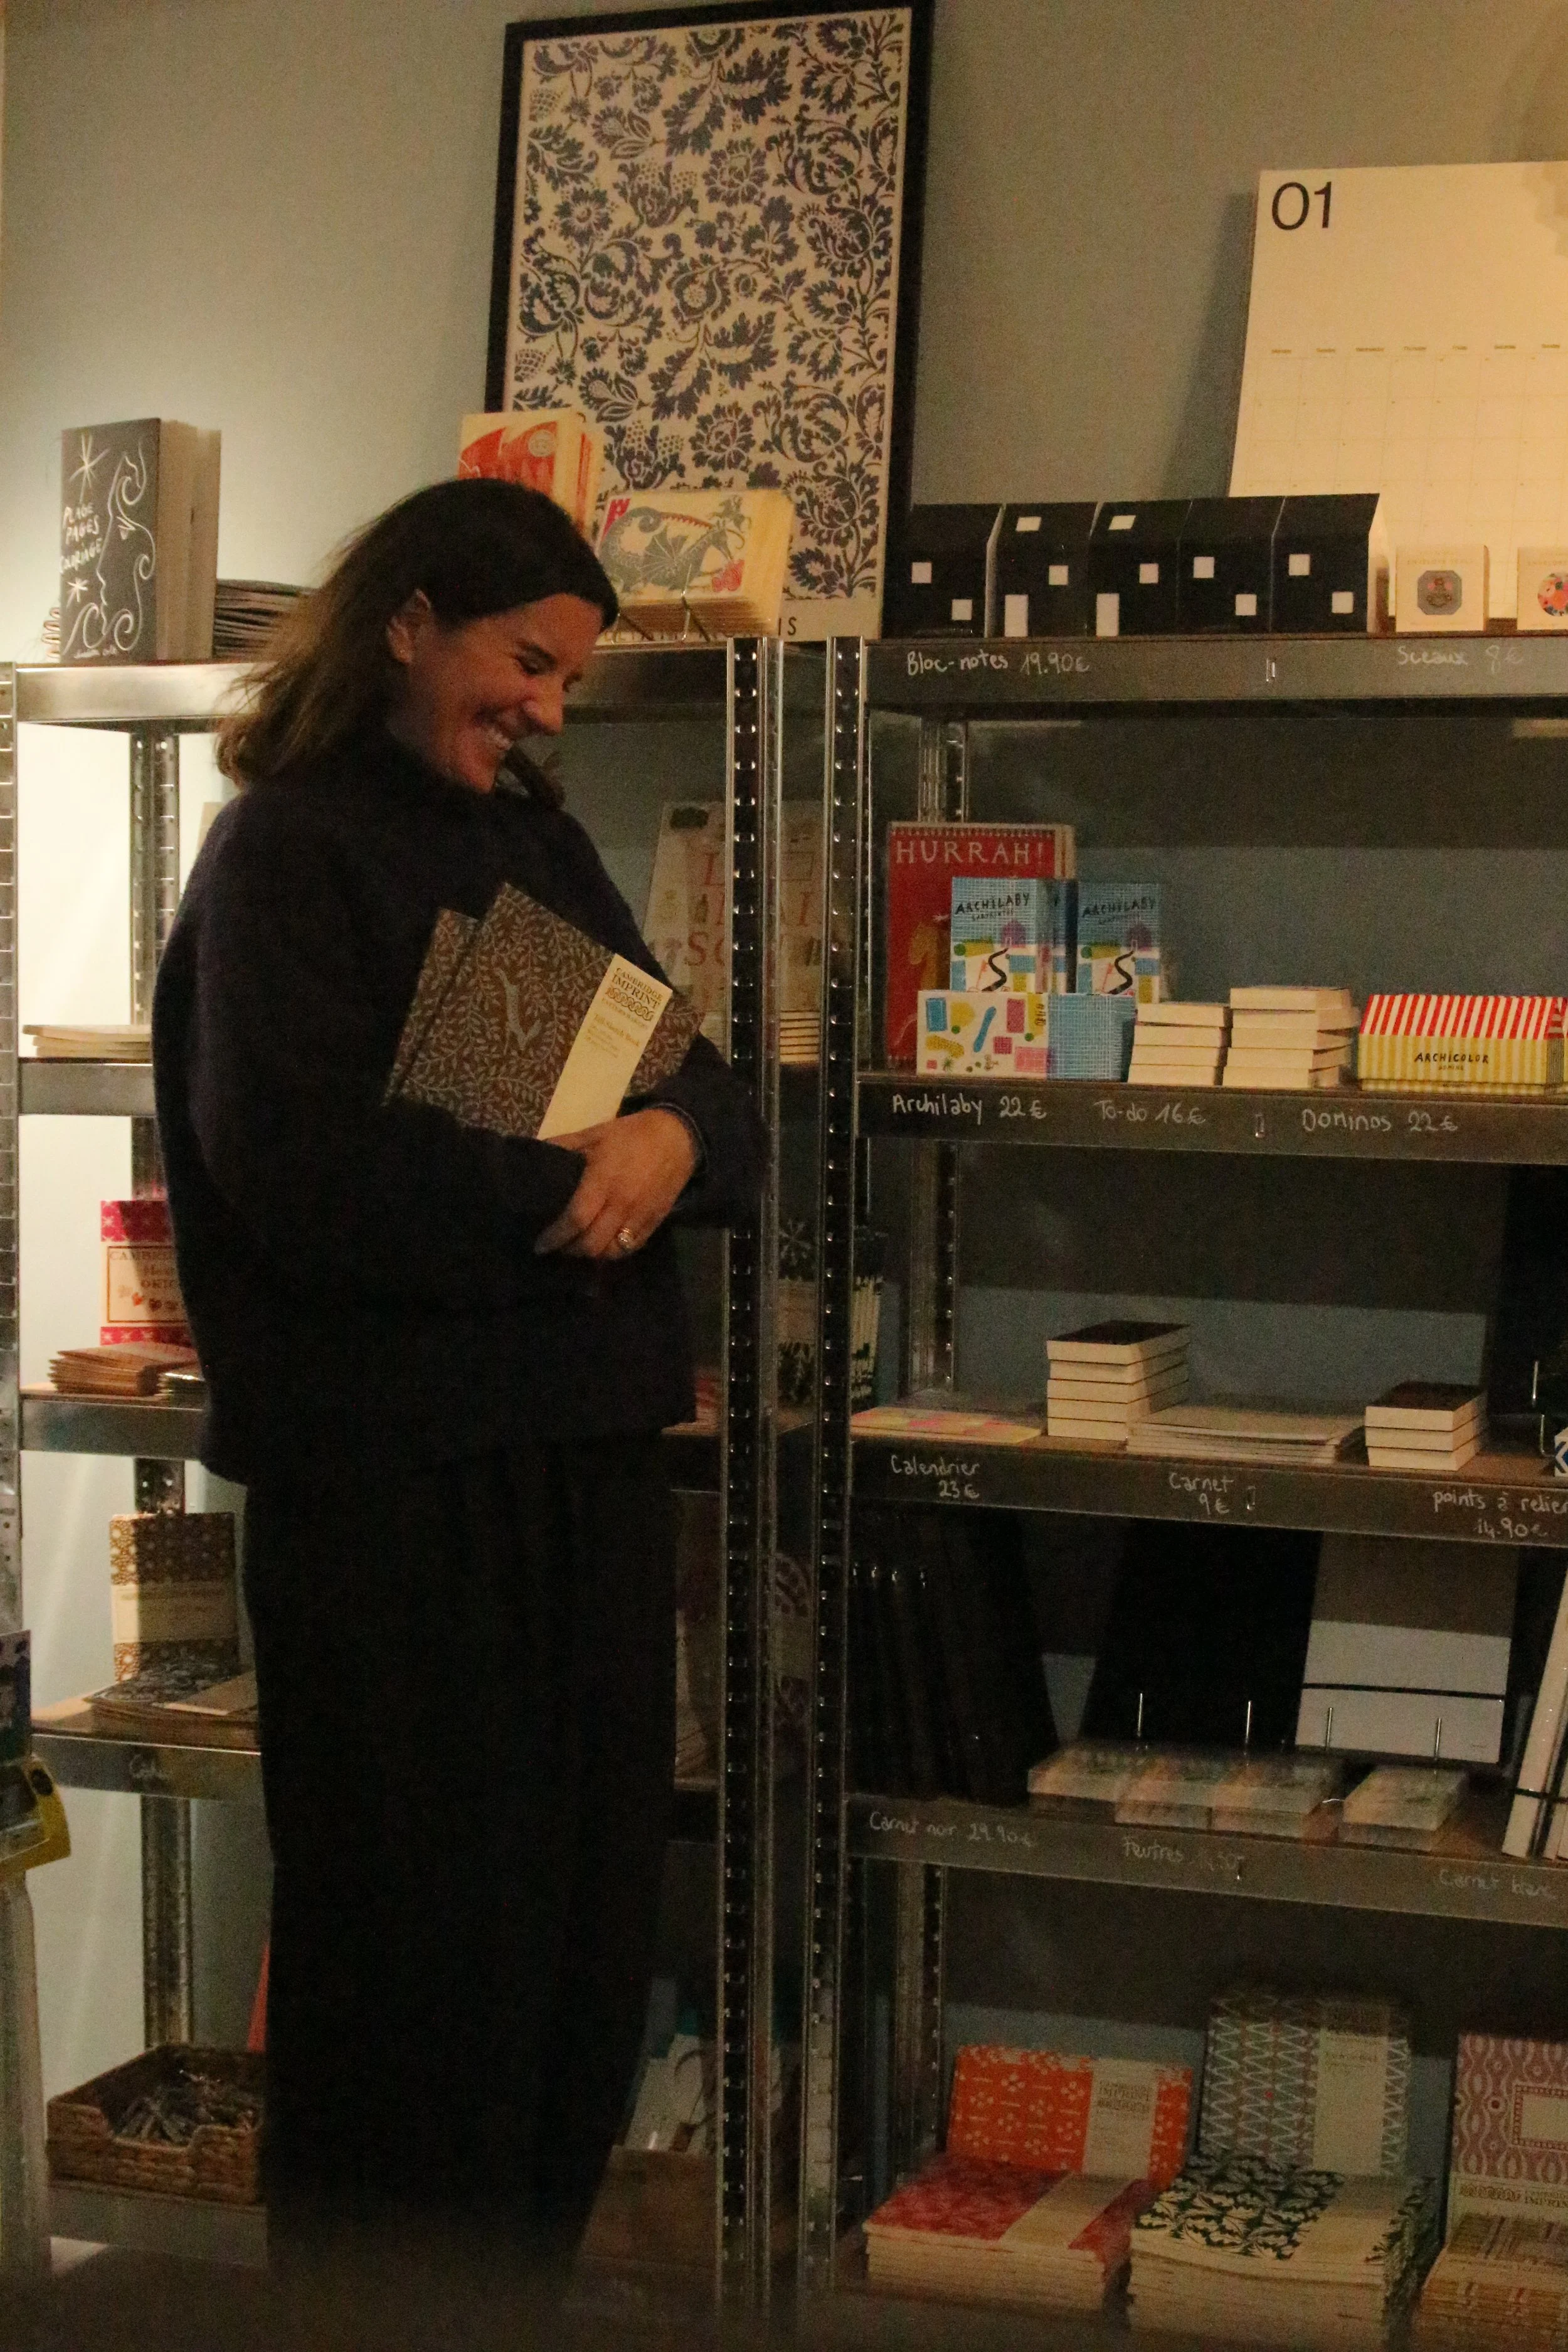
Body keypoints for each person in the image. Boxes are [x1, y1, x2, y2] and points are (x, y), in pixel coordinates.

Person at [151, 479, 766, 2321]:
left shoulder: (530, 848)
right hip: (397, 1508)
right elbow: (309, 1176)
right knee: (412, 1977)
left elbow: (714, 1099)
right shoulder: (288, 857)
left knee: (571, 1967)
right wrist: (581, 1193)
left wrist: (657, 1135)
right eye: (525, 662)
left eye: (569, 678)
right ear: (408, 622)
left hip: (574, 1484)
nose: (548, 710)